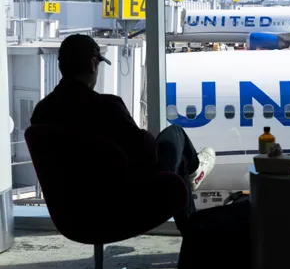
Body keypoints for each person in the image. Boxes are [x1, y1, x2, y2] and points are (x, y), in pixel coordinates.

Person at [29, 34, 215, 225]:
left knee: (179, 164)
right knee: (175, 134)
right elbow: (147, 156)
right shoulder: (106, 106)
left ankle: (192, 216)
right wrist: (146, 137)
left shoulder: (40, 113)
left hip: (70, 214)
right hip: (121, 207)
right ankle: (195, 171)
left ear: (61, 66)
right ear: (93, 64)